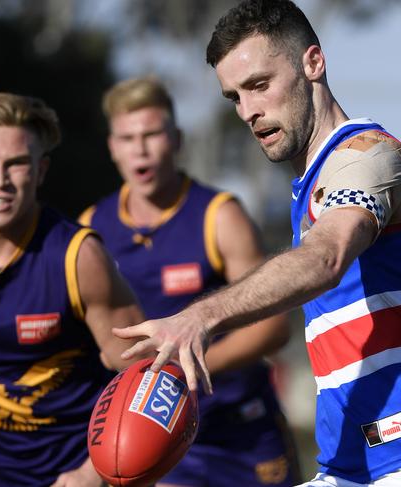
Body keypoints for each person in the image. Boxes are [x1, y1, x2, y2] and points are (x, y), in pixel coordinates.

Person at [114, 1, 401, 485]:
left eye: (259, 85)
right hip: (351, 469)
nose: (248, 112)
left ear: (313, 63)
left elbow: (326, 256)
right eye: (234, 97)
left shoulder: (371, 156)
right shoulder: (308, 191)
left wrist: (200, 318)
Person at [79, 76, 301, 487]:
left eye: (152, 134)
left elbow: (273, 328)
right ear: (112, 147)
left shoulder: (219, 215)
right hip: (155, 436)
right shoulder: (91, 229)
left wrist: (179, 373)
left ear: (176, 139)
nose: (140, 149)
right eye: (128, 138)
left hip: (241, 430)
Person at [0, 92, 144, 486]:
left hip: (71, 473)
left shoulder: (77, 257)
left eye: (16, 164)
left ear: (40, 171)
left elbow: (151, 376)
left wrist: (95, 473)